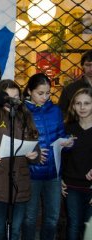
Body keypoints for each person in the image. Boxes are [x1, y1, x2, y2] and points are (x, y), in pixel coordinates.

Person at [0, 79, 40, 240]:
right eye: (8, 97)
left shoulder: (25, 116)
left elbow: (34, 143)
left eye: (16, 97)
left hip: (20, 184)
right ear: (0, 98)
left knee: (16, 230)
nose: (13, 101)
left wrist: (34, 155)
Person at [21, 73, 74, 240]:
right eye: (40, 93)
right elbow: (15, 142)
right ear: (29, 91)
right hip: (31, 173)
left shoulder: (56, 111)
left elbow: (61, 135)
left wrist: (67, 143)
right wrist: (29, 154)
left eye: (48, 93)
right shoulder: (21, 111)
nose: (45, 97)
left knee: (52, 218)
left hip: (53, 173)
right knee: (30, 218)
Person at [62, 88, 92, 240]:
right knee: (73, 224)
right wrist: (59, 179)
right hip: (71, 186)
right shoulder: (68, 129)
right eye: (78, 103)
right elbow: (60, 157)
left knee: (89, 226)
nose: (82, 107)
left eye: (87, 103)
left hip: (91, 187)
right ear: (73, 106)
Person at [59, 50, 92, 117]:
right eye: (88, 65)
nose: (91, 69)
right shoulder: (69, 89)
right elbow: (61, 114)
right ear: (82, 66)